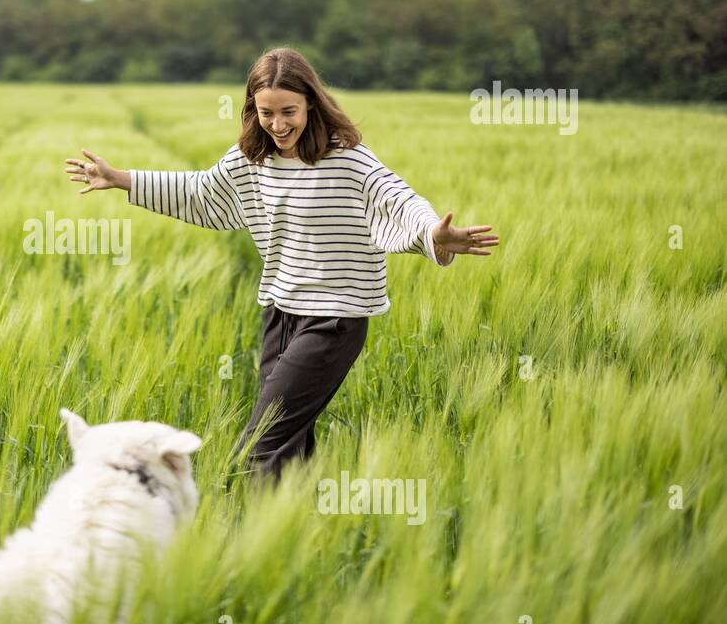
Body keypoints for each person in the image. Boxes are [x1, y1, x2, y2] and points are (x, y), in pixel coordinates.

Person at [63, 47, 499, 487]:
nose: (278, 124)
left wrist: (432, 235)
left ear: (311, 102)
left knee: (264, 440)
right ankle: (301, 533)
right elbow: (199, 192)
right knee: (290, 440)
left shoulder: (348, 160)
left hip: (335, 320)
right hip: (280, 312)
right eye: (266, 113)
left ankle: (253, 536)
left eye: (289, 111)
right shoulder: (252, 159)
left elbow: (396, 199)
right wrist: (120, 179)